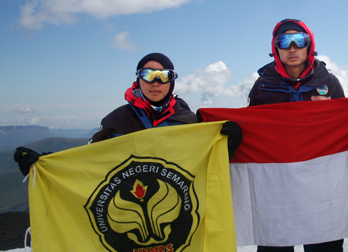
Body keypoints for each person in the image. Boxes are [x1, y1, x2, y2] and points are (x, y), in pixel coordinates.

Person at [15, 53, 241, 174]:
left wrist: (227, 147)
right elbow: (89, 159)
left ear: (172, 81)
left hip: (178, 204)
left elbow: (204, 165)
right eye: (148, 74)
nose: (155, 82)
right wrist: (46, 162)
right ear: (138, 79)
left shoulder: (188, 120)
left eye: (163, 75)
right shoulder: (116, 120)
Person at [248, 19, 345, 252]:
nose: (292, 48)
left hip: (322, 187)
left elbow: (345, 124)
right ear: (276, 48)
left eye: (299, 41)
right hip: (277, 187)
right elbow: (249, 129)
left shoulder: (329, 83)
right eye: (284, 42)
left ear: (309, 45)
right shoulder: (262, 87)